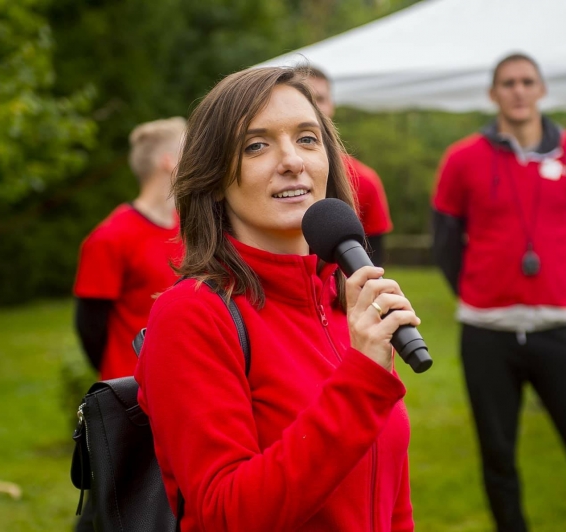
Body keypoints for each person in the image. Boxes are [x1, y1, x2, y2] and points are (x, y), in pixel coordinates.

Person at [135, 66, 420, 531]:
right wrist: (363, 379)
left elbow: (390, 495)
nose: (293, 160)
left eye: (308, 139)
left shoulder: (346, 305)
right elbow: (227, 515)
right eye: (257, 145)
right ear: (214, 176)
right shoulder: (193, 314)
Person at [432, 53, 566, 532]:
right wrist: (480, 291)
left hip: (558, 330)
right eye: (507, 83)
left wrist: (559, 277)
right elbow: (444, 242)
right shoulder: (462, 158)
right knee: (498, 457)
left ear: (541, 90)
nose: (518, 90)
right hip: (487, 334)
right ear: (492, 94)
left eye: (527, 82)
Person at [73, 116, 186, 380]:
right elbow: (90, 327)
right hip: (133, 394)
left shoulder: (193, 229)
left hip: (186, 380)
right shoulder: (109, 238)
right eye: (190, 150)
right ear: (168, 160)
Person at [305, 67, 394, 266]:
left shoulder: (364, 180)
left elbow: (373, 260)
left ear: (332, 105)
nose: (311, 108)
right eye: (304, 98)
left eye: (319, 99)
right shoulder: (264, 175)